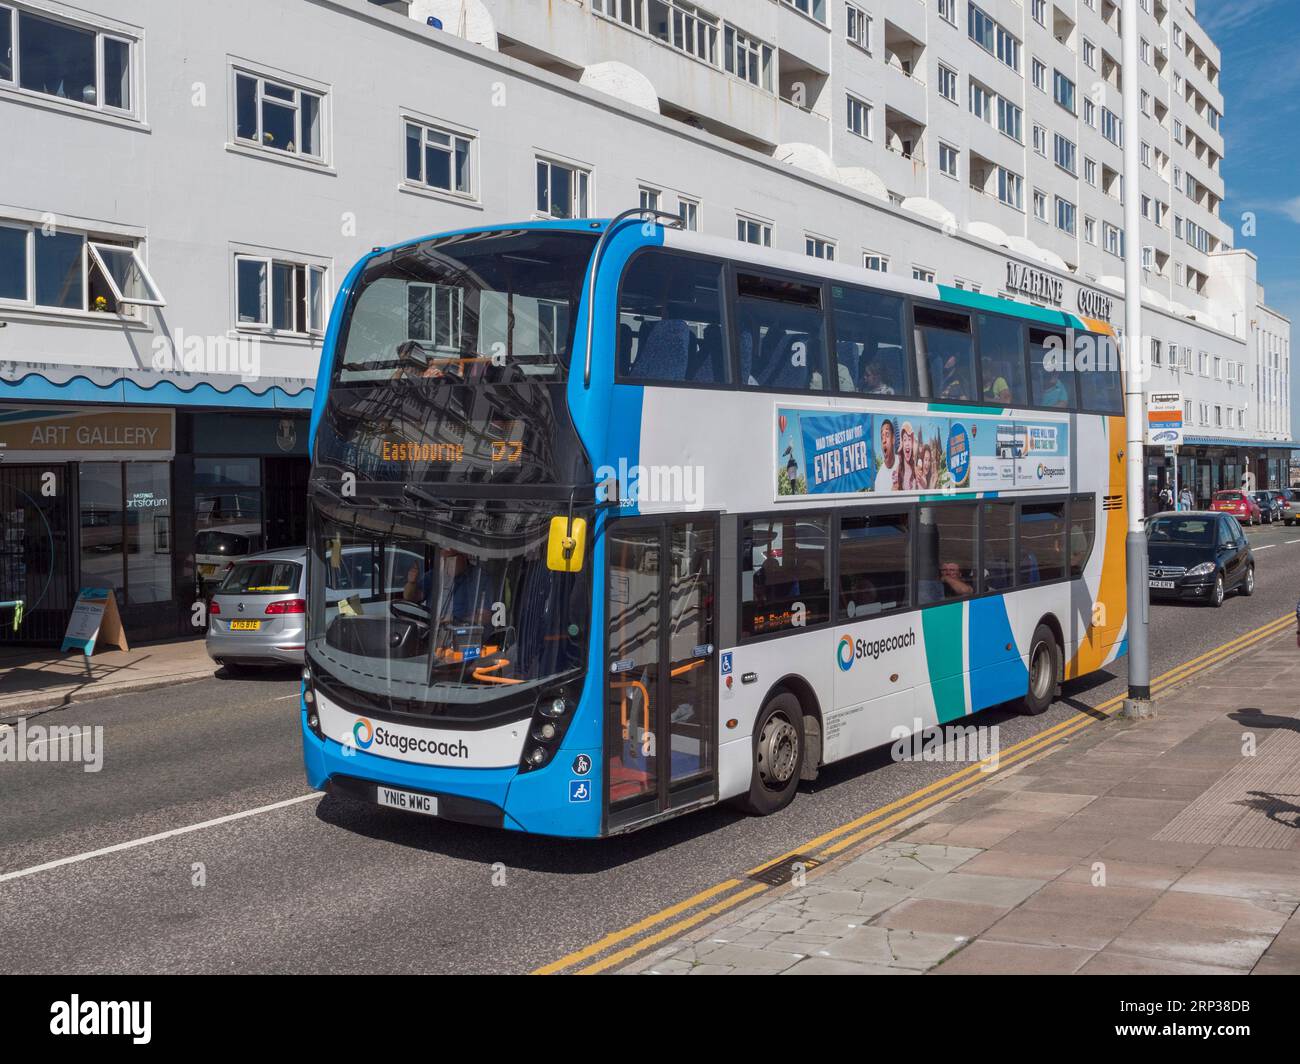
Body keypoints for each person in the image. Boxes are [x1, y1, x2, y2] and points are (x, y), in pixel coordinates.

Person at [875, 418, 899, 493]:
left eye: (887, 435)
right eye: (882, 437)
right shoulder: (878, 480)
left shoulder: (903, 462)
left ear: (893, 439)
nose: (884, 440)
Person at [897, 421, 918, 491]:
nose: (907, 444)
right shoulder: (897, 471)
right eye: (905, 440)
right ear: (902, 444)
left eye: (909, 439)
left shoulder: (916, 470)